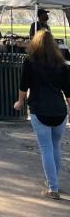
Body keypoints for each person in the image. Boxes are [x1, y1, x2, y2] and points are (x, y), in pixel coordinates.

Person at [13, 30, 70, 199]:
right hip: (59, 110)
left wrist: (20, 102)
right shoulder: (62, 65)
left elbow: (24, 86)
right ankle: (53, 181)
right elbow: (68, 92)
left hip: (39, 108)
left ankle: (53, 188)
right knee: (55, 147)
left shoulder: (30, 62)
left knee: (46, 148)